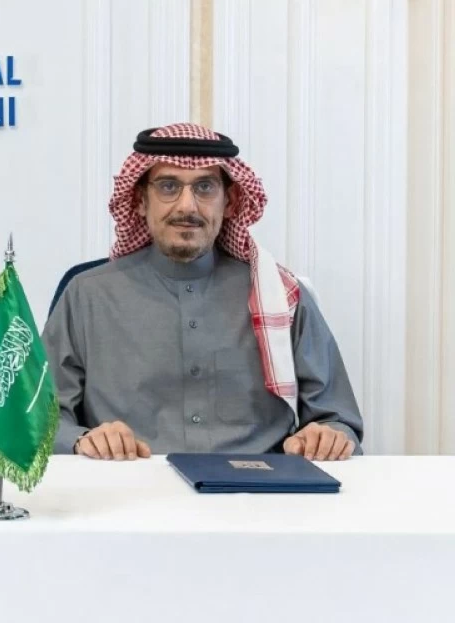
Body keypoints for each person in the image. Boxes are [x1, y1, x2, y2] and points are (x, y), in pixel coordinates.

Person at [42, 122, 362, 462]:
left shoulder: (280, 295)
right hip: (129, 483)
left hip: (259, 487)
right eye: (168, 186)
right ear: (139, 200)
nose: (187, 206)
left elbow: (338, 421)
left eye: (205, 187)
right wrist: (84, 439)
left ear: (230, 202)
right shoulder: (87, 296)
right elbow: (38, 419)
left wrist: (327, 437)